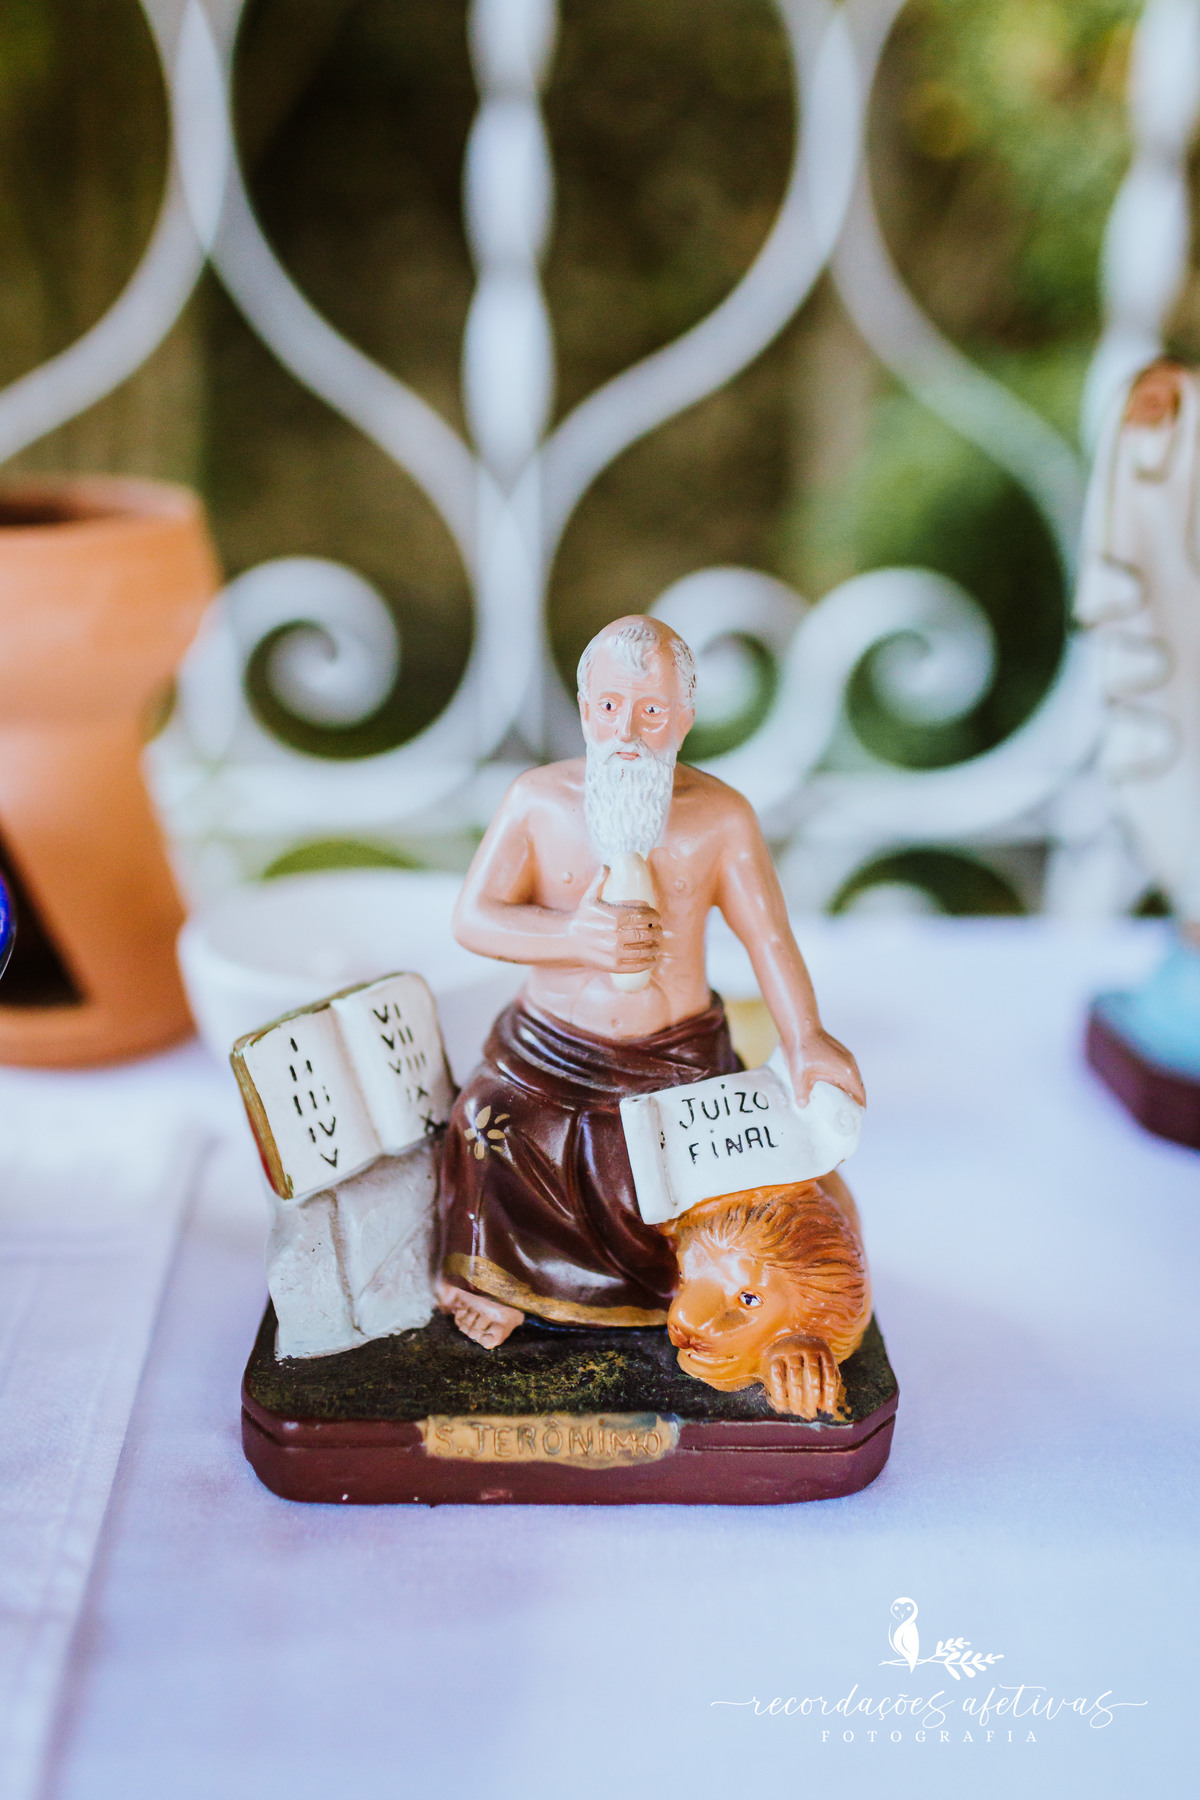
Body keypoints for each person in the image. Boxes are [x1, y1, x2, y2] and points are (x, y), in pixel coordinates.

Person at [436, 615, 864, 1348]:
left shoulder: (720, 819)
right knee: (487, 1129)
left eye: (651, 709)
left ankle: (685, 1292)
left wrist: (807, 1036)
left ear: (685, 718)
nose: (627, 728)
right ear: (582, 710)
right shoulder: (537, 802)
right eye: (608, 706)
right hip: (549, 1051)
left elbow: (768, 937)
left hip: (675, 1060)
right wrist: (571, 936)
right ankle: (485, 1277)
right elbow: (473, 919)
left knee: (680, 1173)